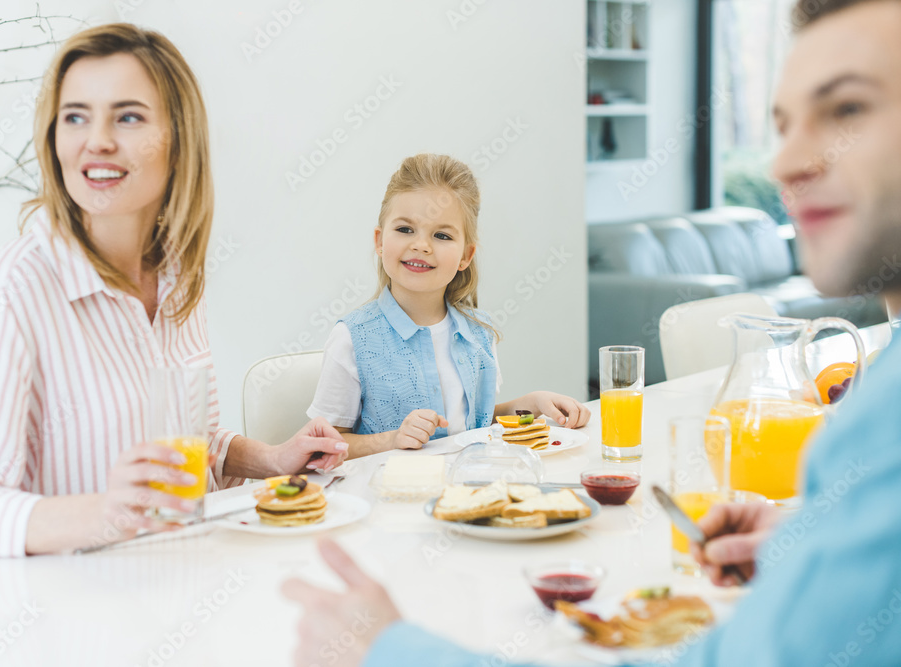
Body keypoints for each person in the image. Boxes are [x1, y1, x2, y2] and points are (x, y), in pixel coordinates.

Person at [283, 1, 901, 664]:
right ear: (379, 241)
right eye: (782, 123)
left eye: (847, 110)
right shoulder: (880, 396)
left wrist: (390, 650)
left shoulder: (880, 416)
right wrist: (800, 538)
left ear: (466, 252)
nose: (787, 161)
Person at [0, 24, 347, 557]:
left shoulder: (177, 275)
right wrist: (104, 513)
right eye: (75, 116)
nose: (96, 140)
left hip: (185, 586)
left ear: (177, 140)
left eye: (128, 116)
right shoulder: (15, 293)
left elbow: (191, 446)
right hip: (70, 622)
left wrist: (272, 459)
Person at [306, 154, 590, 459]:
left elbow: (470, 424)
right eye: (405, 229)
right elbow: (324, 445)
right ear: (379, 240)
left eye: (441, 235)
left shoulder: (479, 333)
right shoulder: (351, 339)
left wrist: (532, 403)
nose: (421, 245)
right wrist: (392, 439)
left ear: (465, 256)